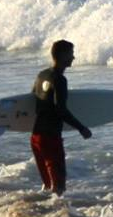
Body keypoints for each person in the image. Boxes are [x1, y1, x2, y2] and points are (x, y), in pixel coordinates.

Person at [29, 39, 91, 194]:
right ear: (63, 55)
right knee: (58, 188)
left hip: (36, 137)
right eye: (71, 54)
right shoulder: (59, 80)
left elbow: (31, 99)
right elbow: (60, 109)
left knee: (47, 185)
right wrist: (81, 128)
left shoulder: (42, 75)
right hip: (50, 138)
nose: (73, 58)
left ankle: (42, 214)